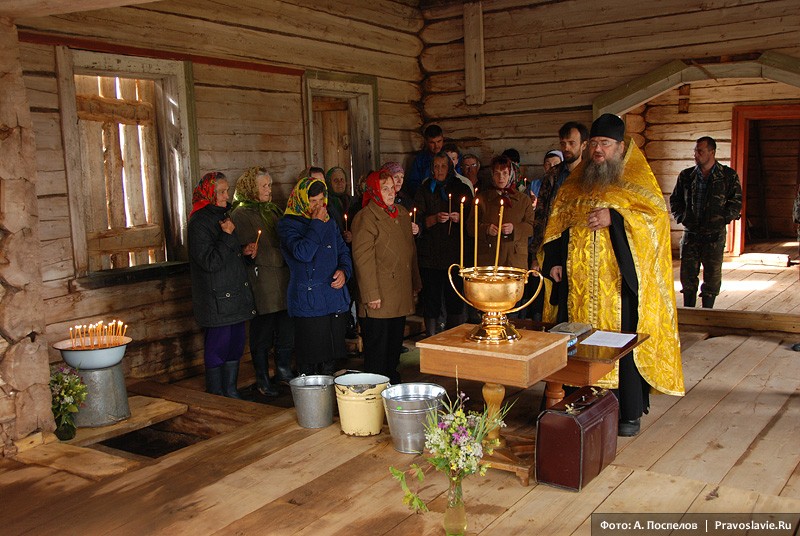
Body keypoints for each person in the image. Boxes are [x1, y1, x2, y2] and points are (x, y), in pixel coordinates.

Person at [543, 114, 684, 437]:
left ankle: (626, 411)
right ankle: (577, 402)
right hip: (578, 283)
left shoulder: (637, 179)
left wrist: (616, 219)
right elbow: (558, 223)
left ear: (620, 147)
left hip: (618, 283)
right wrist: (553, 259)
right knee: (576, 338)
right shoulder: (576, 181)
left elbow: (654, 224)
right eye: (594, 144)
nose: (598, 150)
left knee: (620, 343)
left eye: (605, 144)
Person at [188, 172, 256, 399]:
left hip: (234, 295)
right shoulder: (199, 223)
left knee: (235, 345)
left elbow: (227, 255)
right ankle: (216, 393)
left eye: (227, 191)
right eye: (222, 192)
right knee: (218, 347)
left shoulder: (224, 216)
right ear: (209, 194)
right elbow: (209, 262)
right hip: (216, 299)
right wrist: (227, 236)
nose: (227, 196)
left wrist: (244, 251)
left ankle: (230, 389)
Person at [278, 177, 353, 375]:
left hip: (332, 297)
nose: (318, 206)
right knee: (312, 361)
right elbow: (303, 253)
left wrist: (344, 271)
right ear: (302, 200)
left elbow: (343, 251)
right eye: (313, 202)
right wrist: (316, 224)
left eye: (321, 201)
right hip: (308, 302)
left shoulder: (329, 222)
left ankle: (332, 404)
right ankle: (312, 404)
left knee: (332, 360)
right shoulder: (288, 225)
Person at [351, 171, 421, 383]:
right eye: (385, 189)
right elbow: (363, 260)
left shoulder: (400, 213)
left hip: (398, 292)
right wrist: (371, 294)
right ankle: (375, 388)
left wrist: (415, 282)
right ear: (374, 191)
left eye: (392, 188)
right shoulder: (365, 217)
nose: (391, 192)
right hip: (378, 296)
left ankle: (391, 381)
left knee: (393, 345)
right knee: (377, 348)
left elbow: (411, 250)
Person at [230, 167, 295, 397]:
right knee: (263, 331)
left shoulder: (274, 211)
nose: (269, 189)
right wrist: (284, 254)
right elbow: (253, 251)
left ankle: (284, 370)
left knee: (286, 328)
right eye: (264, 186)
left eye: (270, 185)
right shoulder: (240, 215)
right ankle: (262, 378)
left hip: (283, 280)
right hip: (262, 284)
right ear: (251, 189)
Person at [670, 136, 742, 308]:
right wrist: (683, 218)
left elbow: (736, 202)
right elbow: (675, 200)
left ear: (712, 152)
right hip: (691, 235)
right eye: (695, 151)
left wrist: (722, 219)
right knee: (687, 278)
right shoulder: (686, 176)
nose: (696, 154)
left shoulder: (727, 176)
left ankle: (707, 313)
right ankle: (689, 312)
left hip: (714, 236)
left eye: (700, 151)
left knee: (712, 278)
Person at [414, 151, 473, 336]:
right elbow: (418, 219)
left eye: (443, 166)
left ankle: (454, 336)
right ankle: (431, 337)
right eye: (436, 166)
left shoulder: (460, 187)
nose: (439, 170)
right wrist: (434, 219)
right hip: (430, 254)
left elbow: (472, 217)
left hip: (454, 252)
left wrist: (459, 217)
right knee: (431, 297)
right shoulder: (425, 189)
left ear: (450, 168)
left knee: (454, 296)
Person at [468, 154, 534, 270]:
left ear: (511, 174)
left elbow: (531, 227)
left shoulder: (523, 200)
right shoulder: (482, 199)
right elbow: (470, 227)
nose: (501, 178)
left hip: (514, 259)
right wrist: (486, 229)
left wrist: (514, 229)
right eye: (497, 173)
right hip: (489, 259)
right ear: (492, 175)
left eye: (505, 173)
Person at [406, 124, 444, 197]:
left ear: (443, 138)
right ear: (426, 142)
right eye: (432, 143)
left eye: (439, 141)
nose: (436, 146)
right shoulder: (420, 159)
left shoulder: (451, 156)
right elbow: (412, 183)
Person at [325, 166, 354, 244]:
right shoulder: (326, 204)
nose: (340, 183)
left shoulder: (352, 202)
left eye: (342, 180)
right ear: (329, 183)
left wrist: (352, 235)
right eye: (335, 180)